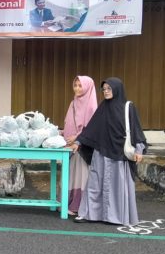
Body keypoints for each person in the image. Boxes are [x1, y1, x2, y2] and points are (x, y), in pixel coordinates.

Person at [73, 77, 146, 226]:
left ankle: (115, 217)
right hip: (101, 152)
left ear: (117, 89)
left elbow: (136, 129)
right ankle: (89, 213)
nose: (106, 92)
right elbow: (92, 128)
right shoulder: (103, 108)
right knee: (95, 183)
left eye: (109, 89)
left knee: (116, 187)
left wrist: (139, 150)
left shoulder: (128, 107)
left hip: (119, 154)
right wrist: (78, 142)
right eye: (104, 89)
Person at [62, 76, 97, 216]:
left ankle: (79, 206)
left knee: (81, 176)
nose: (77, 88)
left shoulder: (91, 105)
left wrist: (76, 138)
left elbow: (91, 128)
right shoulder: (73, 103)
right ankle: (68, 202)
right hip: (70, 146)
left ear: (87, 87)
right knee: (71, 174)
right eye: (75, 85)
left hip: (82, 147)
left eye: (80, 85)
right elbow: (69, 123)